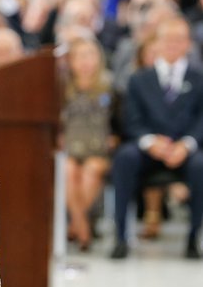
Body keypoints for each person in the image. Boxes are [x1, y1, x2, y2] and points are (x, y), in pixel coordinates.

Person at [110, 16, 203, 259]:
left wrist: (186, 144)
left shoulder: (199, 79)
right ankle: (120, 237)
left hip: (186, 149)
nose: (173, 44)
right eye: (167, 39)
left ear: (188, 44)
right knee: (124, 158)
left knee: (200, 164)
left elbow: (201, 120)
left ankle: (194, 238)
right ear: (157, 43)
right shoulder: (139, 79)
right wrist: (151, 142)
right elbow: (131, 121)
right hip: (148, 149)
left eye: (179, 39)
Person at [61, 37, 114, 251]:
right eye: (80, 56)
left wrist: (115, 138)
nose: (86, 62)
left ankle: (76, 224)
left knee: (91, 170)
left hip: (100, 149)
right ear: (71, 61)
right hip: (69, 149)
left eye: (91, 55)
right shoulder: (63, 88)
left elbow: (120, 121)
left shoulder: (110, 86)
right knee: (68, 169)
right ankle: (82, 224)